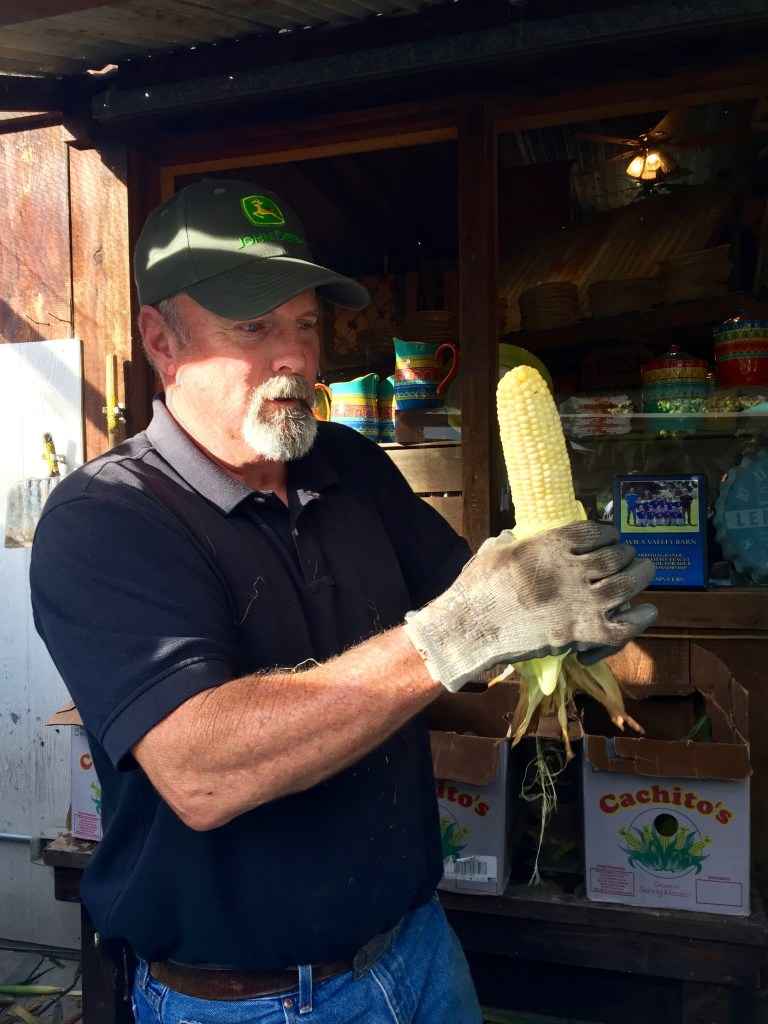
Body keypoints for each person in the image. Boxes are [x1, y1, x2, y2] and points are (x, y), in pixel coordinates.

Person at [29, 178, 657, 1024]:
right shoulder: (105, 518)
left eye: (306, 324)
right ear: (161, 340)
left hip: (418, 953)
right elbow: (200, 770)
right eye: (254, 326)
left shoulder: (350, 467)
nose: (296, 357)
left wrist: (553, 622)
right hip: (245, 1003)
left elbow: (477, 616)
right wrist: (460, 631)